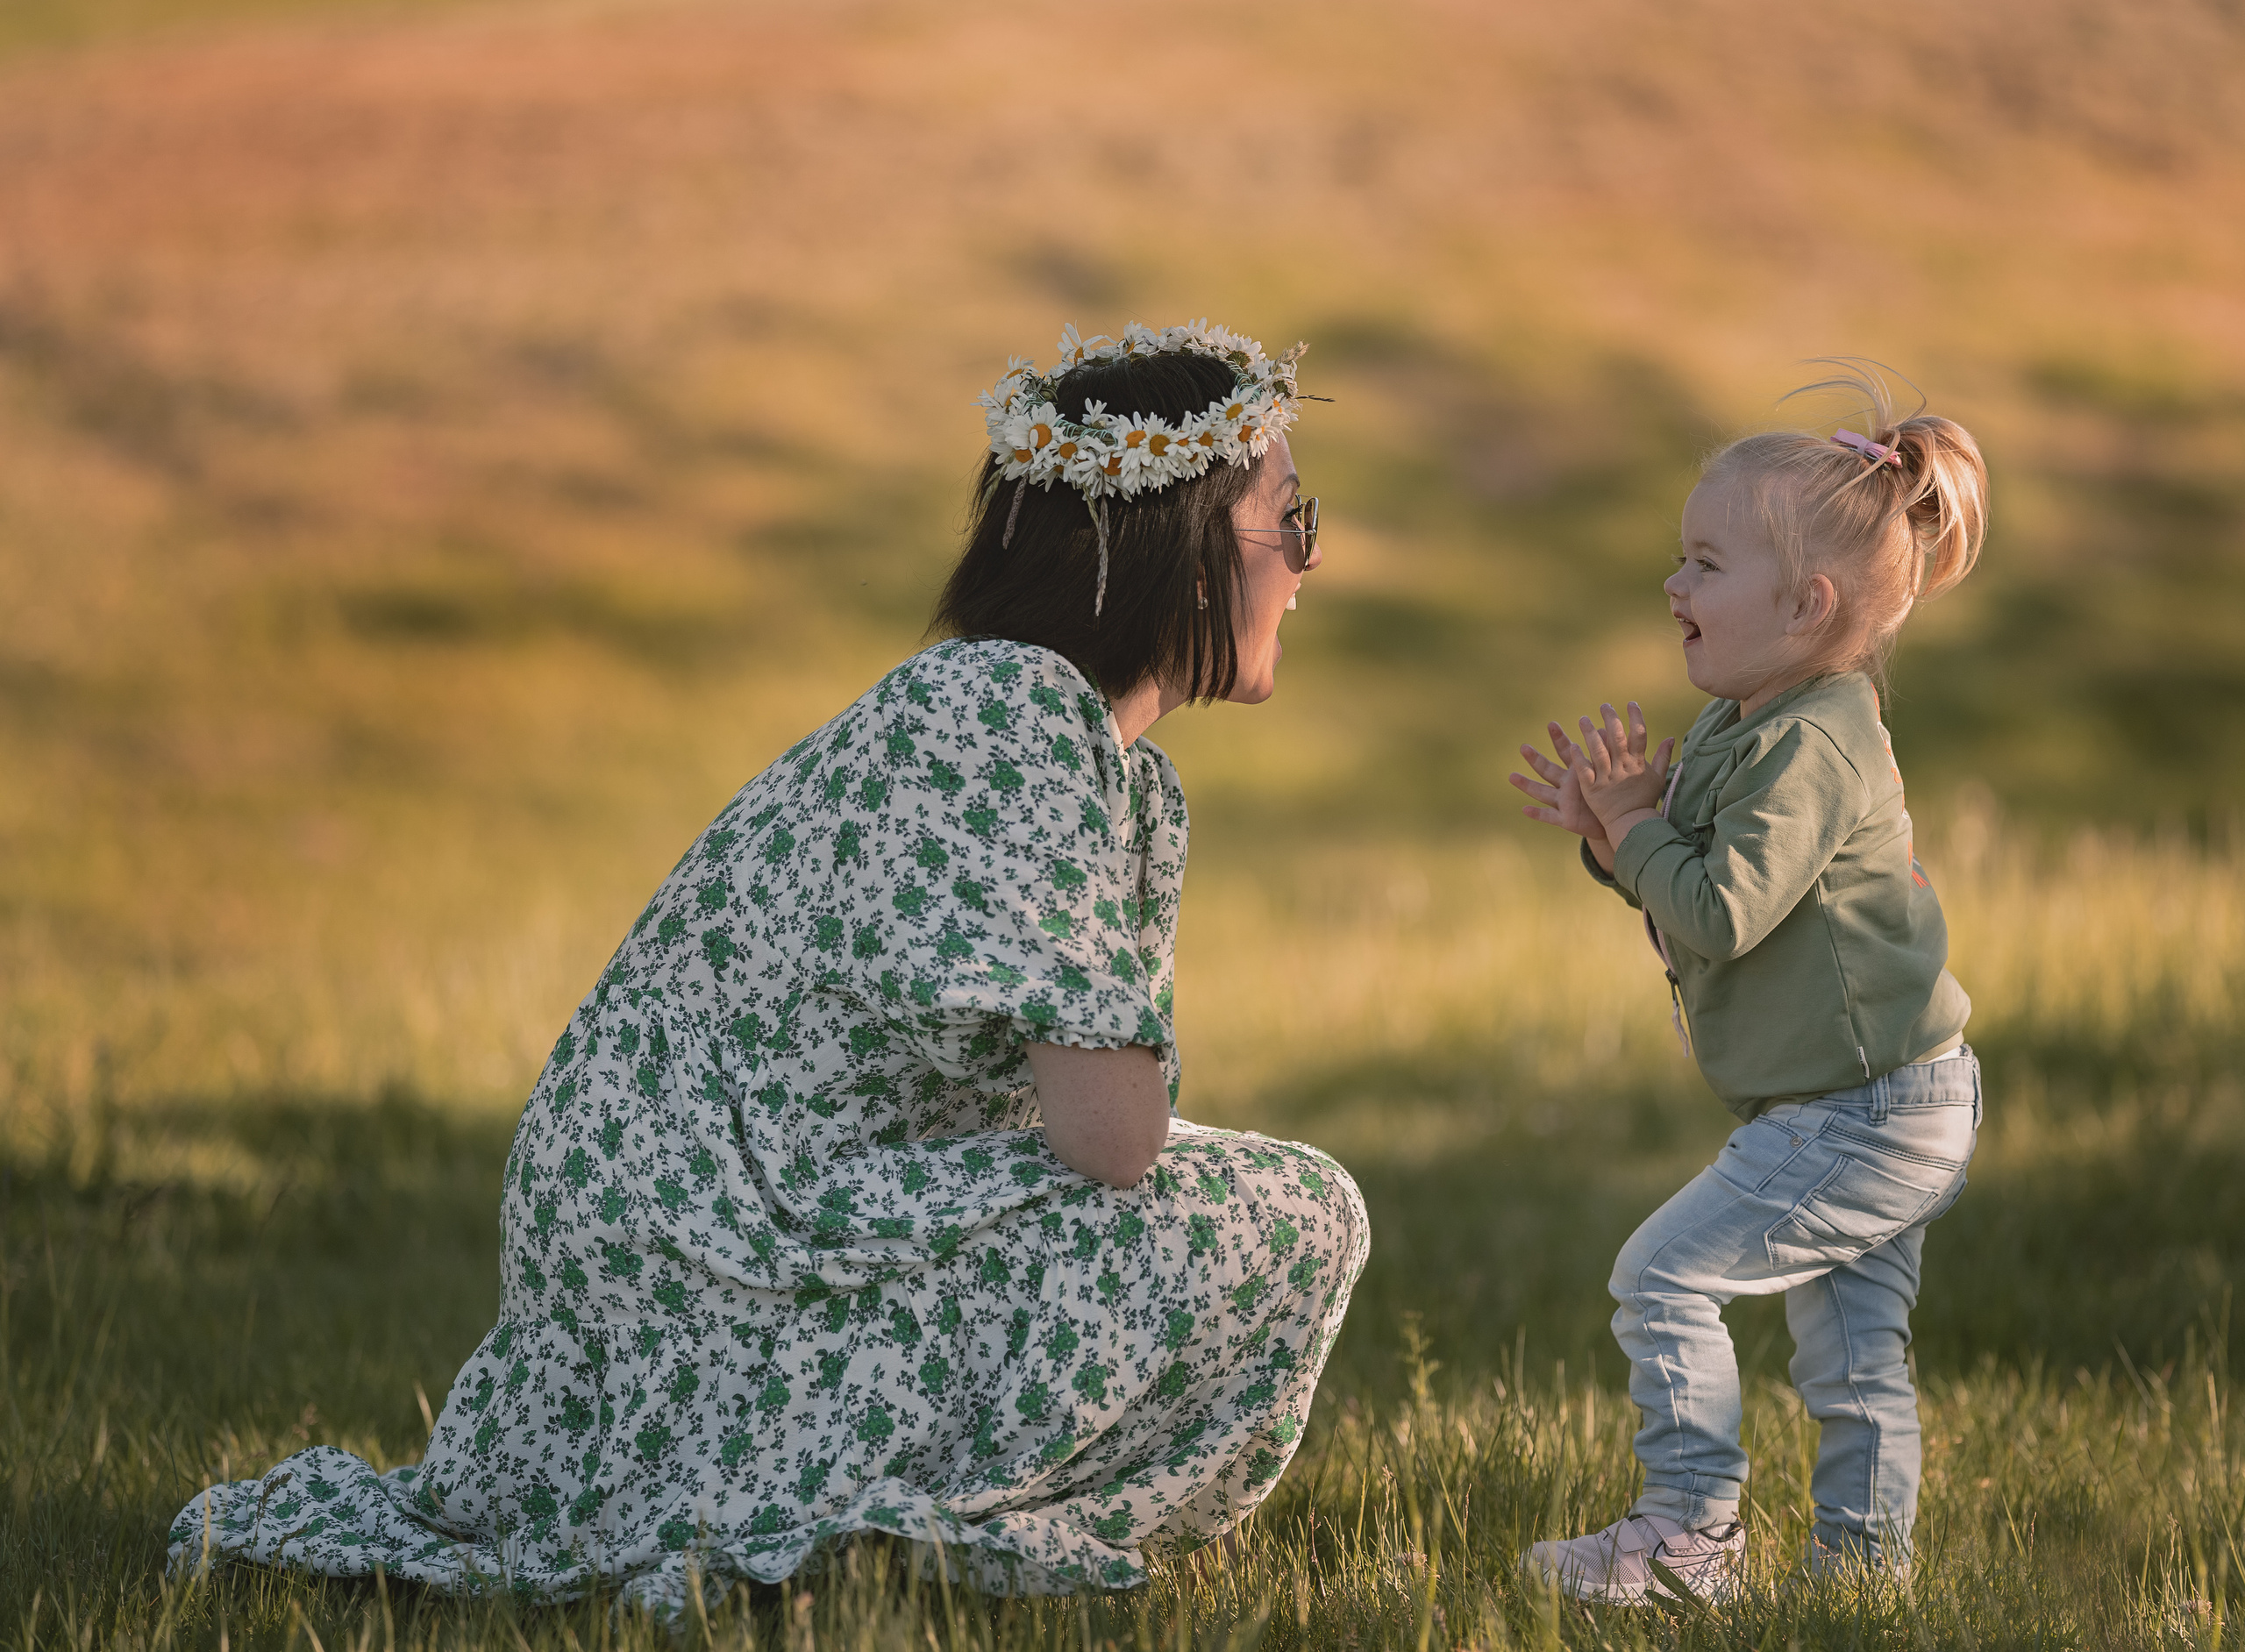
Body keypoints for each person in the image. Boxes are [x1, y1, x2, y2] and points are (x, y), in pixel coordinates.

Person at [170, 321, 1368, 1608]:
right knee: (1296, 1215)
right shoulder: (1010, 718)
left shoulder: (1054, 739)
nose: (1306, 567)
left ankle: (861, 1524)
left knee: (1247, 1205)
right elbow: (1116, 1139)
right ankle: (833, 1527)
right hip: (719, 1277)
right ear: (1189, 553)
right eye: (1289, 523)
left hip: (739, 1258)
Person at [1507, 364, 1991, 1602]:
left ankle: (1686, 1539)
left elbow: (1718, 910)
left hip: (1869, 1112)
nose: (1673, 586)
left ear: (1807, 601)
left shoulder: (1816, 743)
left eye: (1705, 565)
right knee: (1851, 1356)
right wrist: (1618, 834)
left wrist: (1639, 836)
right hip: (1872, 1098)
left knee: (1663, 1275)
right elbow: (1701, 898)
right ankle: (1862, 1581)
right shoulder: (1749, 722)